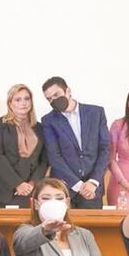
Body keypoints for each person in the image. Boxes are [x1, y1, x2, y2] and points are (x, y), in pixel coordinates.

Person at [40, 77, 111, 209]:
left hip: (92, 188)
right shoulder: (48, 120)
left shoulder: (96, 112)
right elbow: (55, 157)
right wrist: (79, 186)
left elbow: (105, 149)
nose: (53, 100)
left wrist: (92, 182)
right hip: (64, 190)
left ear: (68, 91)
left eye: (56, 95)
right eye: (49, 99)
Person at [0, 84, 48, 207]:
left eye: (27, 99)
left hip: (31, 190)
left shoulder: (40, 128)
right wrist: (18, 184)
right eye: (18, 99)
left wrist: (32, 183)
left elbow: (44, 160)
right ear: (10, 103)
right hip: (5, 189)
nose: (23, 103)